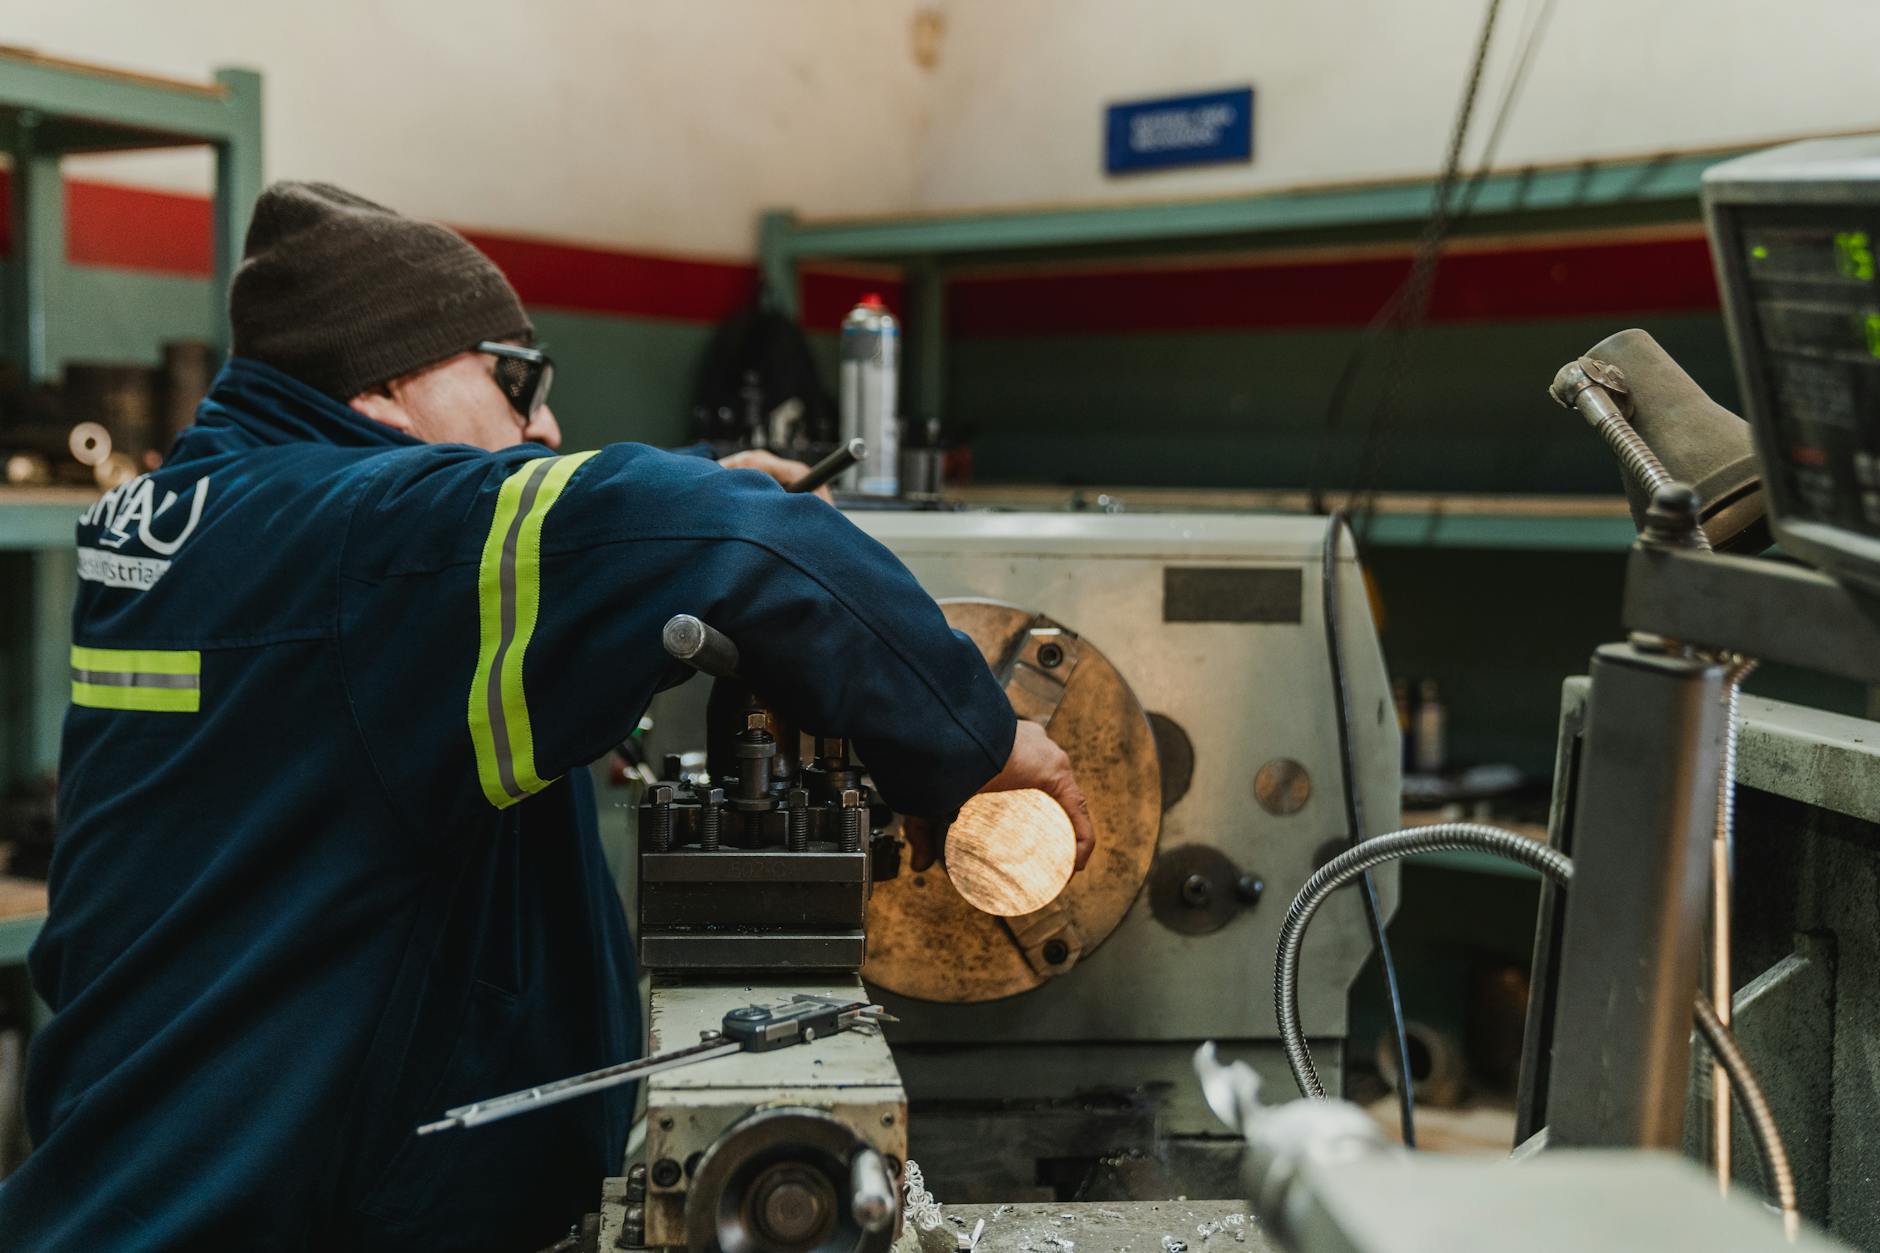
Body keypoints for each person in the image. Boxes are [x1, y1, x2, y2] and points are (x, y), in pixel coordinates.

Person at [0, 182, 1093, 1252]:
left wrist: (693, 484)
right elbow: (736, 540)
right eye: (516, 381)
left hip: (142, 1179)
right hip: (265, 1213)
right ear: (384, 385)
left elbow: (448, 561)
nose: (546, 420)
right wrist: (976, 741)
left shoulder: (193, 519)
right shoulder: (363, 553)